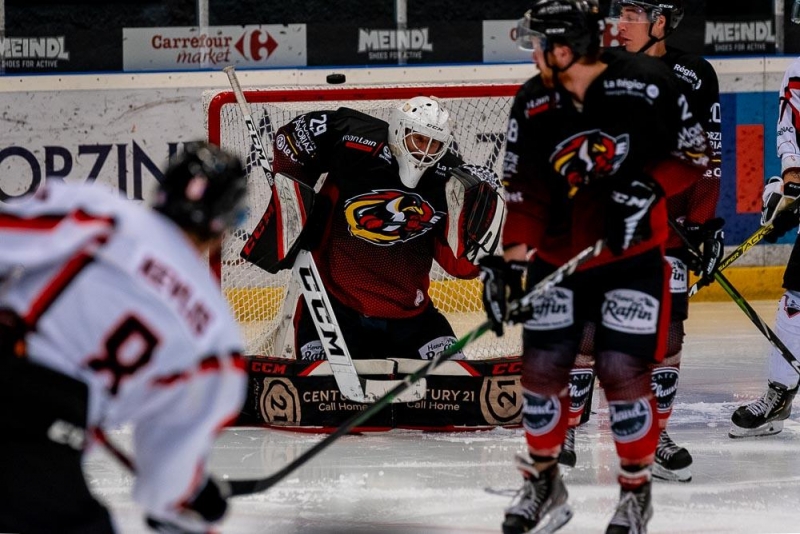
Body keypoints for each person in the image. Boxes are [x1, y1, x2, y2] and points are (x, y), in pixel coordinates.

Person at [483, 0, 709, 532]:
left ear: (562, 48)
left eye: (539, 43)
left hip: (633, 261)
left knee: (624, 375)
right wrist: (513, 261)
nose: (534, 53)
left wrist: (648, 187)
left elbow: (693, 155)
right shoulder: (533, 101)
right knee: (540, 379)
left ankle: (634, 494)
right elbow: (526, 197)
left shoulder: (648, 83)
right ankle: (544, 487)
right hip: (559, 260)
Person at [0, 142, 249, 533]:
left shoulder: (103, 211)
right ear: (226, 223)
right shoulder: (217, 338)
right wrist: (188, 495)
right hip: (44, 430)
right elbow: (167, 471)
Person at [558, 0, 724, 483]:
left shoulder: (695, 74)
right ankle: (567, 428)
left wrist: (700, 223)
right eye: (621, 15)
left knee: (667, 337)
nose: (621, 25)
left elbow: (708, 156)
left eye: (632, 15)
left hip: (668, 235)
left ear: (660, 21)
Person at [254, 96, 504, 364]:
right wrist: (290, 186)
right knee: (323, 397)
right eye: (419, 139)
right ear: (398, 129)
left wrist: (479, 234)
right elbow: (291, 139)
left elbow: (458, 267)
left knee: (458, 388)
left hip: (411, 320)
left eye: (435, 144)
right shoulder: (354, 144)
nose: (426, 152)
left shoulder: (449, 180)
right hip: (333, 313)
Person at [729, 0, 800, 438]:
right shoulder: (796, 70)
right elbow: (788, 126)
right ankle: (780, 391)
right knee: (796, 298)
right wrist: (789, 179)